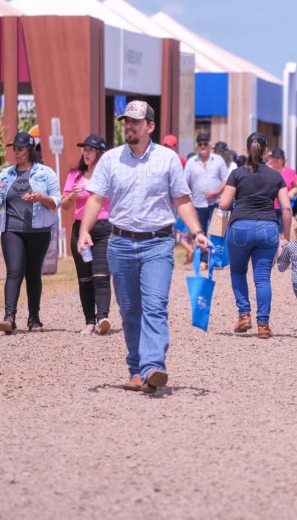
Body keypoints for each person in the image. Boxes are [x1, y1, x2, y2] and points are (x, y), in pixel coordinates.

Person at [78, 100, 209, 393]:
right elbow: (96, 199)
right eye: (126, 121)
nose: (129, 126)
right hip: (120, 244)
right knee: (129, 310)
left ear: (150, 126)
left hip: (158, 244)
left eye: (135, 122)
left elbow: (182, 200)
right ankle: (136, 370)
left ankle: (153, 367)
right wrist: (84, 230)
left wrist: (196, 232)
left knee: (155, 305)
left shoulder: (168, 159)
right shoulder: (110, 160)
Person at [219, 132, 292, 338]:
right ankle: (263, 325)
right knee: (262, 278)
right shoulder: (276, 176)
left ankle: (244, 315)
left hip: (240, 227)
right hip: (268, 228)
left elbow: (224, 204)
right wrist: (285, 237)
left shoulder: (237, 173)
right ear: (266, 152)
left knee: (238, 273)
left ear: (246, 150)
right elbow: (286, 209)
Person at [0, 131, 61, 335]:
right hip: (12, 230)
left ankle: (34, 318)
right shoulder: (5, 174)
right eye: (14, 149)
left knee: (33, 273)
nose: (16, 153)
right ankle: (9, 317)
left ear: (30, 150)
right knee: (14, 272)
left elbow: (57, 202)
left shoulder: (46, 173)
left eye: (20, 149)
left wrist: (41, 198)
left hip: (39, 230)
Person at [62, 134, 113, 336]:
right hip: (79, 230)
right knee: (84, 278)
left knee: (101, 275)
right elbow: (64, 206)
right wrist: (71, 196)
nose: (87, 153)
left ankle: (102, 318)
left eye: (91, 150)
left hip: (104, 229)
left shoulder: (108, 175)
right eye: (85, 149)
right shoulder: (75, 175)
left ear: (100, 153)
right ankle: (89, 321)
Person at [184, 132, 228, 264]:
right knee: (200, 232)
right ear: (197, 146)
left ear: (210, 145)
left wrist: (216, 192)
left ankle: (218, 259)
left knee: (219, 231)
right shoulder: (191, 162)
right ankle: (203, 260)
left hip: (217, 201)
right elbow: (185, 182)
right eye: (200, 144)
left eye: (205, 143)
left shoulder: (218, 160)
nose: (203, 146)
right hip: (198, 203)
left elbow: (226, 179)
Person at [267, 147, 297, 230]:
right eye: (273, 158)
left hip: (284, 208)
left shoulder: (290, 172)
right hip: (268, 208)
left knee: (282, 236)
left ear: (283, 160)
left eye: (277, 158)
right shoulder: (266, 171)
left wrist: (292, 192)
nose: (275, 160)